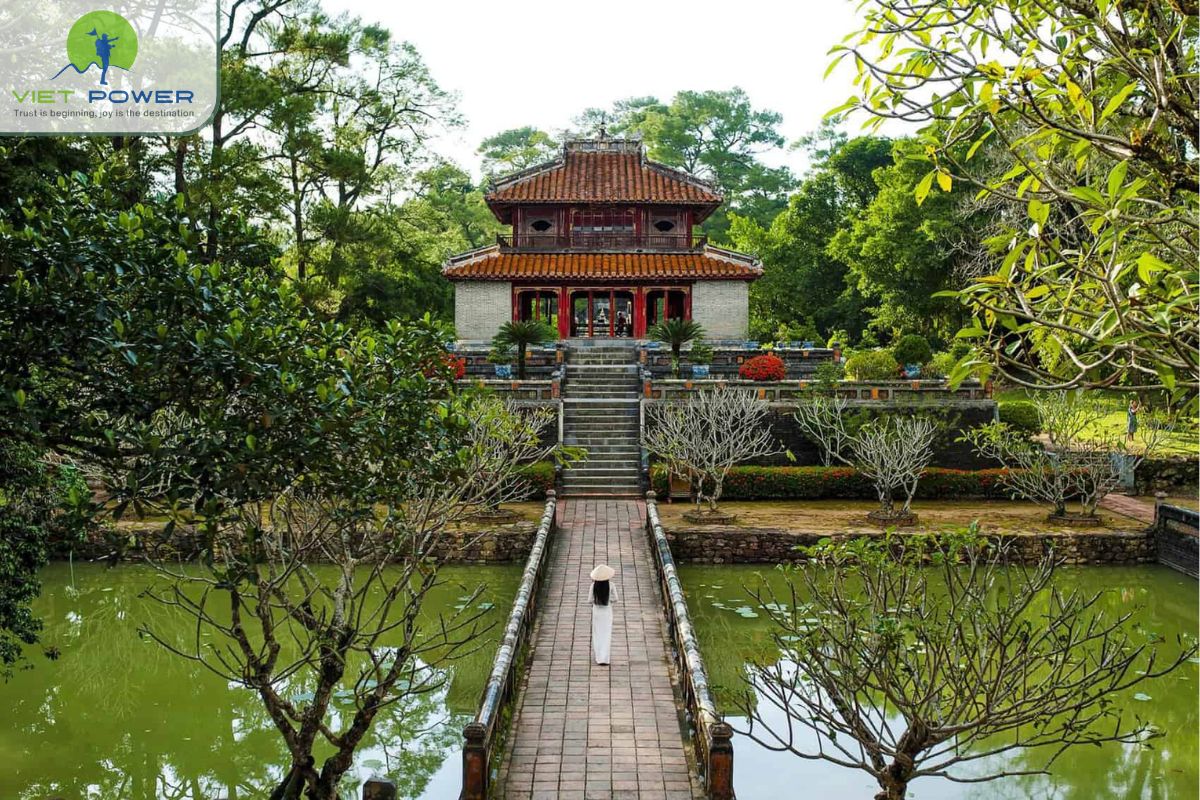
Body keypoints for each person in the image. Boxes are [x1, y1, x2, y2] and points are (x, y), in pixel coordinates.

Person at [590, 564, 616, 665]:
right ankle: (605, 658)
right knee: (606, 634)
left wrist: (596, 602)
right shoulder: (612, 585)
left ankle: (599, 657)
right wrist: (609, 600)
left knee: (597, 634)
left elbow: (589, 600)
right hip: (607, 611)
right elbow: (616, 599)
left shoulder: (593, 586)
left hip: (597, 612)